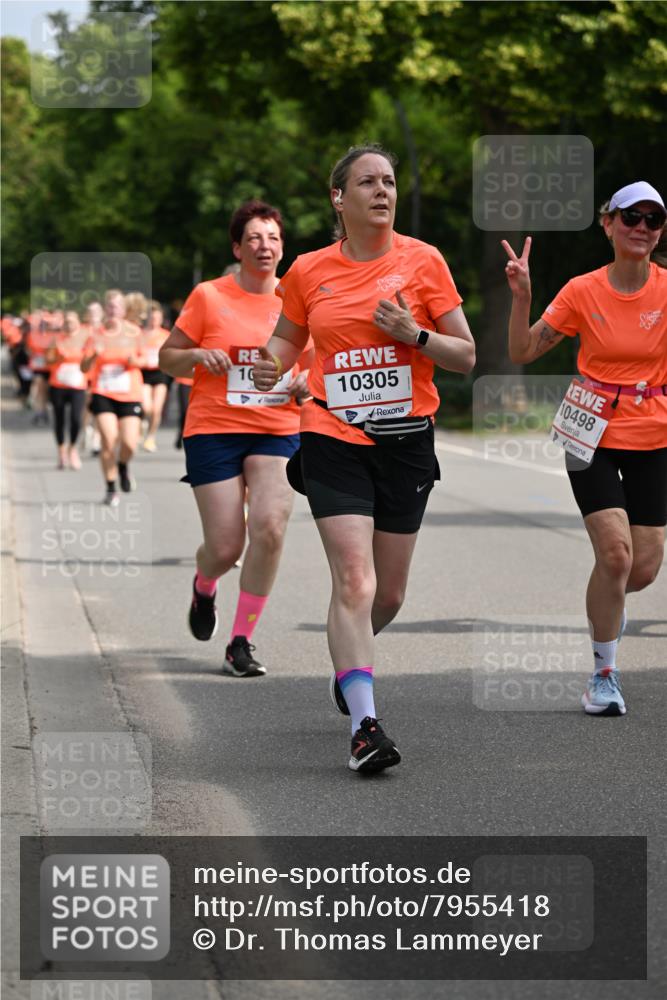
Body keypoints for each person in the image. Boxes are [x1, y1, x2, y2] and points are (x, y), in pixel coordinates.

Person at [252, 144, 475, 772]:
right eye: (368, 182)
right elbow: (280, 346)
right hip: (331, 435)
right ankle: (365, 724)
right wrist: (259, 373)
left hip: (406, 442)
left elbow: (465, 355)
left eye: (390, 181)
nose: (383, 191)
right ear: (339, 197)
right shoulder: (307, 271)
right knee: (355, 580)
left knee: (389, 594)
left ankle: (351, 669)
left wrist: (415, 335)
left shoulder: (424, 262)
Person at [503, 180, 667, 717]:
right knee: (615, 554)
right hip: (589, 430)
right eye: (631, 218)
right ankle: (603, 674)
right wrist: (523, 296)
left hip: (653, 432)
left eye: (653, 219)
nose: (642, 227)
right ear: (608, 223)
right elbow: (523, 350)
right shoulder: (581, 290)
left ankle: (606, 602)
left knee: (640, 569)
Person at [159, 200, 311, 677]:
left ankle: (240, 641)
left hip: (277, 427)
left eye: (273, 238)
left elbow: (317, 362)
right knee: (226, 547)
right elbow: (168, 358)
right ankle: (205, 584)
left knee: (269, 527)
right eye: (254, 239)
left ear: (282, 247)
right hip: (215, 427)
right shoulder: (209, 296)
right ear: (237, 247)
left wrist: (309, 381)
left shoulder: (298, 299)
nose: (264, 246)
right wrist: (200, 357)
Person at [81, 289, 144, 506]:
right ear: (105, 309)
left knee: (129, 443)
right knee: (108, 440)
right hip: (103, 392)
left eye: (117, 306)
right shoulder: (95, 334)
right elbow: (83, 367)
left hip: (130, 393)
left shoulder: (135, 332)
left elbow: (146, 361)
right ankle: (110, 488)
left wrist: (132, 361)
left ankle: (123, 465)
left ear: (124, 310)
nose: (113, 310)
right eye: (109, 306)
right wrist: (93, 356)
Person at [45, 310, 88, 469]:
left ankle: (73, 449)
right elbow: (47, 360)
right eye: (67, 322)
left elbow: (91, 360)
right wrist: (57, 358)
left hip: (78, 385)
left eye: (72, 321)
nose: (69, 325)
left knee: (76, 418)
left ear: (78, 322)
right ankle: (61, 451)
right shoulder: (56, 339)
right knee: (59, 419)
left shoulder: (85, 339)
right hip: (58, 384)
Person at [139, 301, 173, 452]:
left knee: (157, 408)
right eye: (152, 318)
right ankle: (142, 422)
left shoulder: (166, 335)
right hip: (144, 372)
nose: (154, 321)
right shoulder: (140, 334)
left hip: (160, 373)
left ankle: (150, 437)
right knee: (147, 407)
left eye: (157, 318)